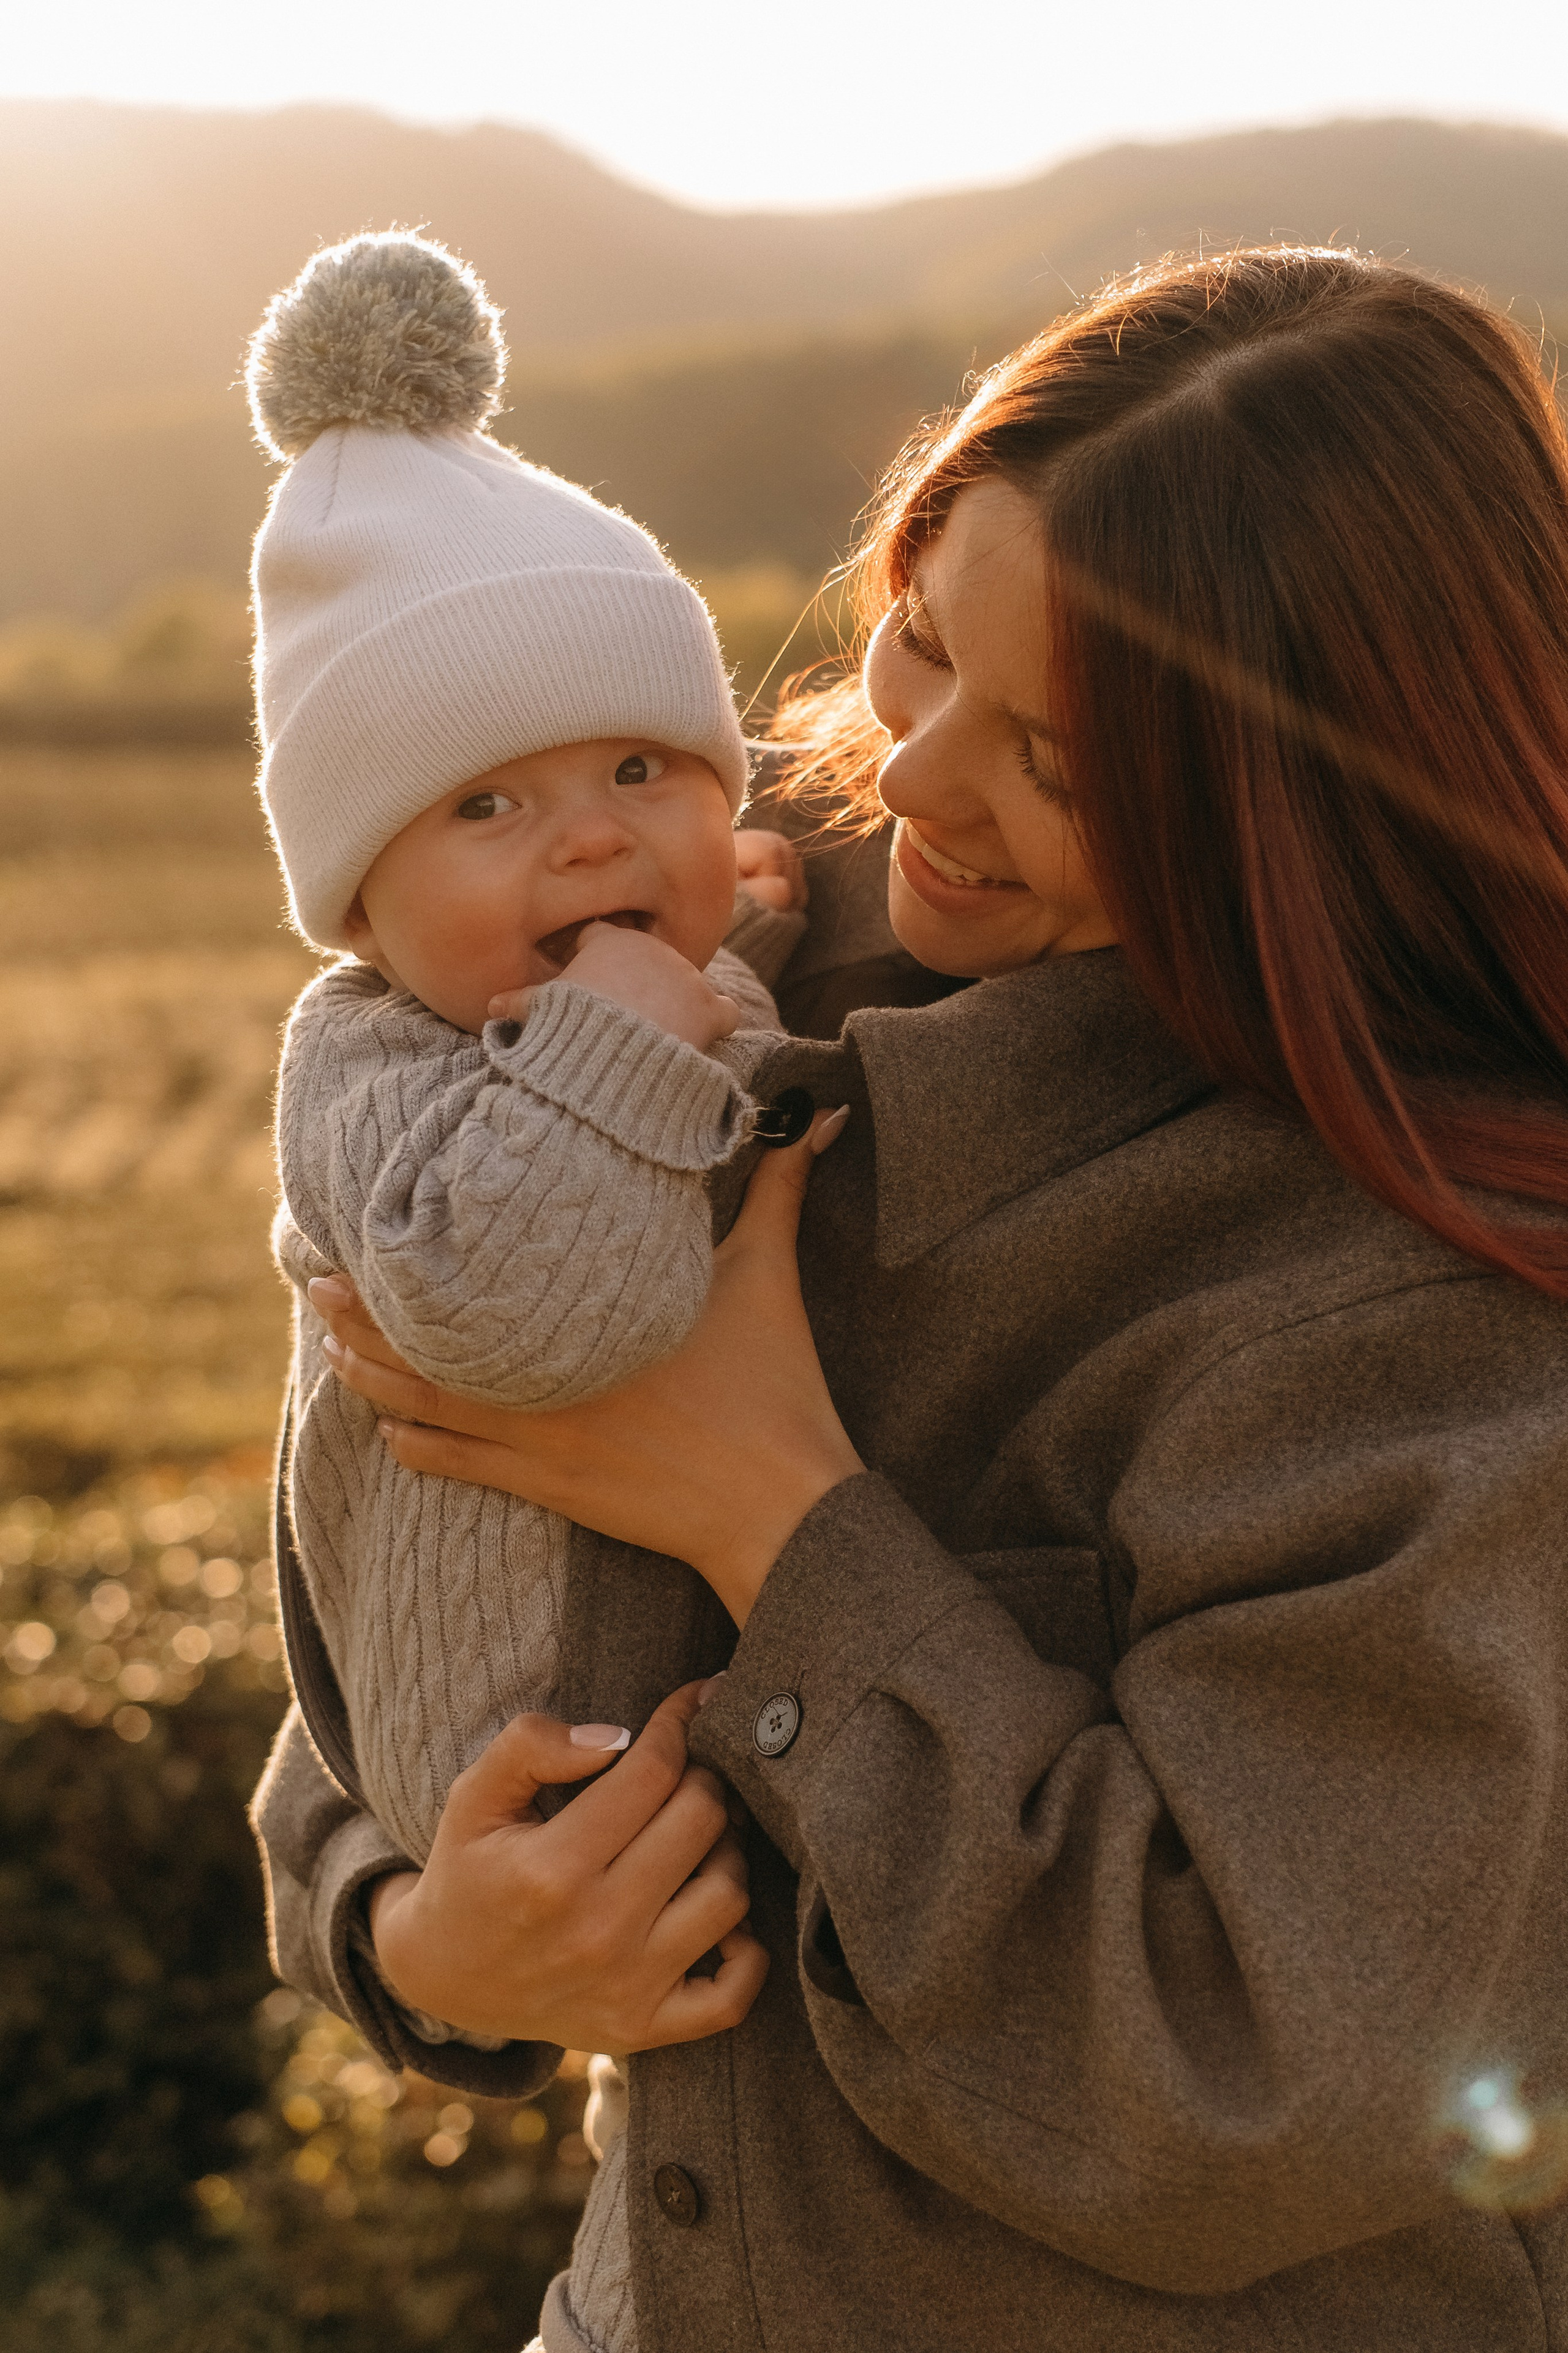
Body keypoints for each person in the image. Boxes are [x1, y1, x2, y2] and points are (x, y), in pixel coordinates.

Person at [258, 247, 1568, 2350]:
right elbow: (399, 1561)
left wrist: (772, 1509)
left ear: (1310, 799)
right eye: (919, 638)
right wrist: (419, 1932)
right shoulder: (709, 940)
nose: (920, 778)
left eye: (1059, 754)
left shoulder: (1434, 1301)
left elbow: (1259, 2083)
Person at [249, 230, 845, 1938]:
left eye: (643, 769)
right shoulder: (364, 1061)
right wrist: (651, 1015)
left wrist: (732, 967)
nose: (593, 832)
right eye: (487, 807)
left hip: (720, 1761)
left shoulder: (656, 984)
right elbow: (525, 1313)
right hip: (528, 1785)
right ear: (362, 902)